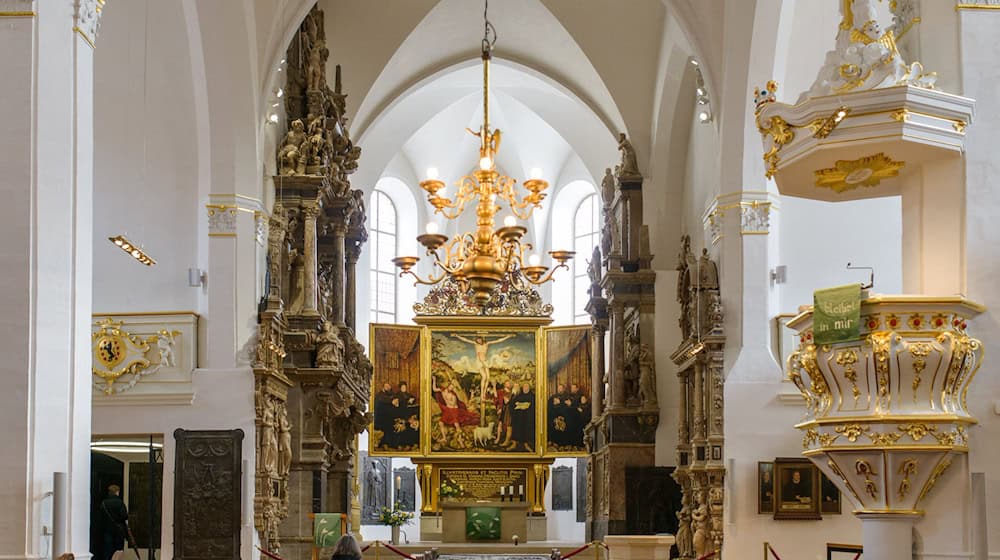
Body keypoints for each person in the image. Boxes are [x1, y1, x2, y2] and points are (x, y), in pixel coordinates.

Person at [99, 484, 129, 560]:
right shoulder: (119, 502)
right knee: (118, 550)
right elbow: (124, 516)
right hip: (119, 530)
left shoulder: (103, 503)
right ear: (116, 492)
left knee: (108, 550)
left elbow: (100, 517)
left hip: (107, 530)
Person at [508, 382, 536, 451]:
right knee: (516, 427)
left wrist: (526, 407)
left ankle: (526, 445)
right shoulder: (519, 395)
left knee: (526, 429)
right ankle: (514, 444)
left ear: (529, 388)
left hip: (528, 417)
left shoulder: (532, 396)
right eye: (524, 387)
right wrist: (517, 405)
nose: (525, 388)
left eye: (527, 387)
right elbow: (512, 404)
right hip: (518, 417)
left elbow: (534, 406)